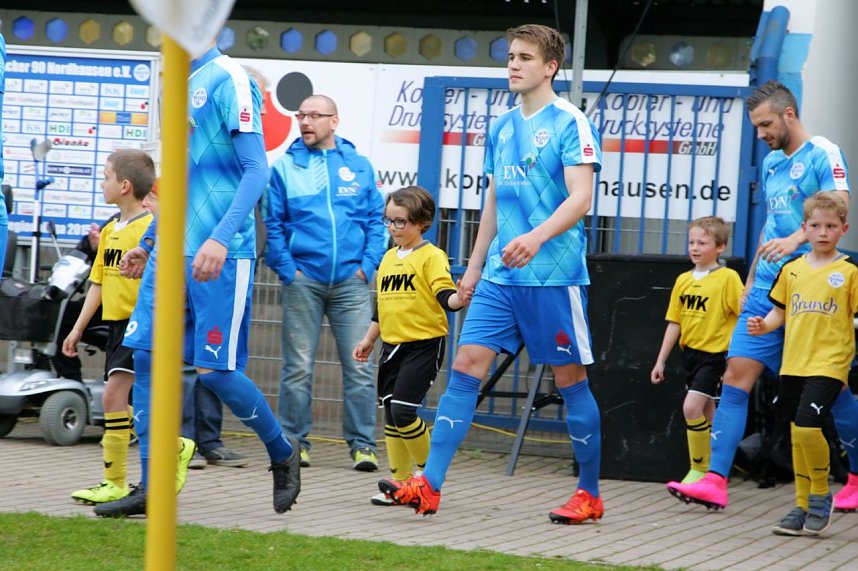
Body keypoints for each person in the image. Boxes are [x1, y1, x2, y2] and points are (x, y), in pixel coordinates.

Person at [378, 24, 605, 524]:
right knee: (465, 364)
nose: (513, 65)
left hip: (553, 276)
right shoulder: (501, 127)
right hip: (501, 278)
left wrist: (537, 236)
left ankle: (589, 494)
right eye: (510, 57)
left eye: (525, 57)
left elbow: (581, 198)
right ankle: (429, 486)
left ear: (550, 67)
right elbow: (495, 201)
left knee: (571, 381)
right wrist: (475, 268)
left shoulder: (571, 122)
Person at [94, 42, 300, 517]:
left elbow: (256, 170)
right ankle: (151, 486)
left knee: (217, 375)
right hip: (168, 255)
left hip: (218, 256)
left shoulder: (229, 77)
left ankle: (282, 454)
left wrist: (220, 238)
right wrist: (147, 245)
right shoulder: (175, 83)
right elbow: (181, 178)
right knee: (144, 362)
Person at [666, 80, 857, 511]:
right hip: (767, 290)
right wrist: (753, 280)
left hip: (813, 290)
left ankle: (856, 477)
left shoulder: (822, 153)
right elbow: (770, 229)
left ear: (789, 115)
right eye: (756, 126)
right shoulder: (771, 163)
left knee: (836, 390)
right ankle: (715, 481)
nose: (761, 133)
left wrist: (796, 240)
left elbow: (840, 203)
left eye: (766, 123)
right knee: (735, 376)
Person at [264, 94, 386, 471]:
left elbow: (375, 221)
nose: (305, 122)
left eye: (315, 115)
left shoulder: (359, 166)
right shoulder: (284, 167)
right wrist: (289, 271)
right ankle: (295, 444)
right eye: (301, 115)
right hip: (304, 280)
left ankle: (363, 446)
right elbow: (272, 225)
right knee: (297, 367)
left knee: (360, 367)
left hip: (352, 281)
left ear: (334, 121)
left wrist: (367, 267)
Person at [62, 150, 171, 505]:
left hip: (139, 323)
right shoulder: (109, 230)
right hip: (114, 325)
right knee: (126, 402)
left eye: (106, 177)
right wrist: (77, 329)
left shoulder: (151, 229)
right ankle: (168, 447)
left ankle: (116, 481)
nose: (102, 183)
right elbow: (98, 283)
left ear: (124, 186)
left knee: (112, 395)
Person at [747, 193, 857, 536]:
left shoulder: (849, 272)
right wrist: (764, 325)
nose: (822, 232)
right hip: (794, 362)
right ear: (804, 229)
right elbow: (780, 310)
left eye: (830, 226)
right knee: (796, 431)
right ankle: (801, 504)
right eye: (815, 226)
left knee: (809, 424)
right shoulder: (790, 270)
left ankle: (821, 495)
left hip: (830, 361)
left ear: (843, 229)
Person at [353, 186, 469, 505]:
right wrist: (368, 339)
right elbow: (382, 306)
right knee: (391, 414)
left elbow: (444, 294)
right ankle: (400, 485)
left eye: (400, 222)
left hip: (423, 345)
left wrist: (459, 299)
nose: (393, 228)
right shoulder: (388, 258)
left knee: (404, 410)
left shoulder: (432, 256)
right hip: (391, 346)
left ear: (422, 222)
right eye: (388, 221)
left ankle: (428, 480)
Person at [651, 217, 743, 485]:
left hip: (715, 356)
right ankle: (717, 472)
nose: (695, 247)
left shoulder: (727, 278)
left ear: (720, 247)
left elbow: (741, 316)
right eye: (691, 242)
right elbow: (674, 322)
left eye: (702, 243)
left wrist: (735, 360)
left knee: (691, 407)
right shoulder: (683, 280)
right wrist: (661, 361)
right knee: (708, 413)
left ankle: (698, 469)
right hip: (690, 354)